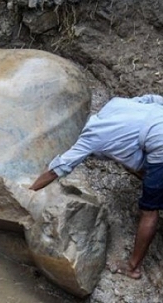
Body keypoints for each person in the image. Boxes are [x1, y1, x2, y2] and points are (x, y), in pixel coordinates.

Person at [29, 94, 163, 280]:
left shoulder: (91, 138)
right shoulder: (115, 105)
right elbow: (152, 99)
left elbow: (57, 169)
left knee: (149, 211)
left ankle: (132, 267)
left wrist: (28, 193)